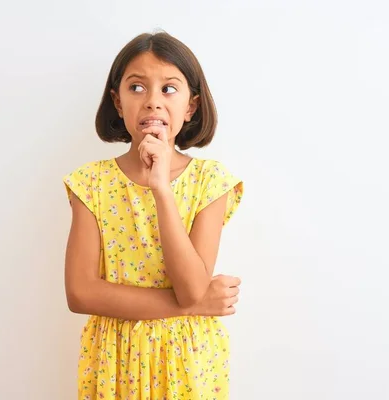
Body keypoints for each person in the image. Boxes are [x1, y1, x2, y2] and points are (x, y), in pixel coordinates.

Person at [62, 31, 244, 400]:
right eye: (137, 88)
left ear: (191, 107)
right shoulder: (90, 183)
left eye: (169, 89)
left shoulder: (210, 181)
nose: (153, 103)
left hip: (189, 365)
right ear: (117, 101)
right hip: (115, 360)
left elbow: (191, 286)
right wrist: (193, 305)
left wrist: (161, 188)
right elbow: (80, 293)